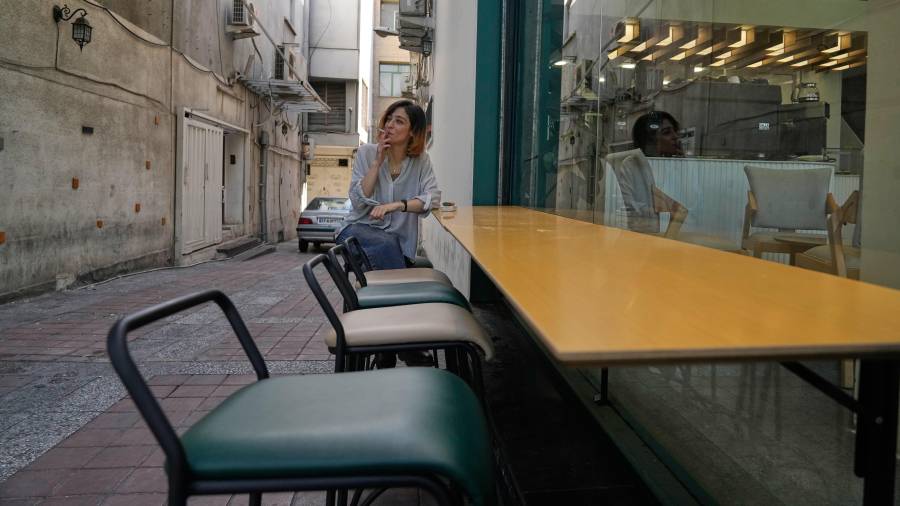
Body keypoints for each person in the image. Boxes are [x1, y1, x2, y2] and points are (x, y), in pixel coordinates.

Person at [335, 99, 439, 270]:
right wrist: (377, 162)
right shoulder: (366, 153)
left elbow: (433, 199)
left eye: (399, 121)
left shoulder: (421, 160)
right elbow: (358, 202)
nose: (390, 125)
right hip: (357, 230)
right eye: (389, 119)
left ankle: (373, 292)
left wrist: (397, 205)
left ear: (412, 131)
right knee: (386, 245)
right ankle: (394, 294)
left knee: (383, 255)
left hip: (400, 245)